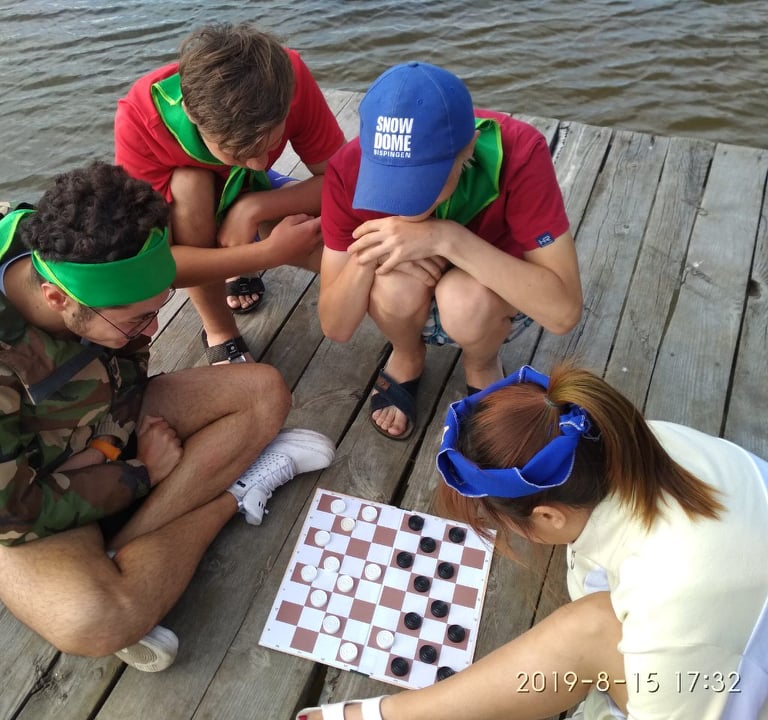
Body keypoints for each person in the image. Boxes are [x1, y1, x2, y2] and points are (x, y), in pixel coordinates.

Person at [0, 161, 336, 672]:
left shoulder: (76, 244)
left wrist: (106, 446)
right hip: (32, 492)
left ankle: (124, 549)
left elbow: (131, 356)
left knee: (264, 392)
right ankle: (231, 497)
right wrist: (139, 473)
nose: (152, 331)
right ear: (56, 299)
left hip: (104, 419)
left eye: (157, 310)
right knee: (95, 618)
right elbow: (14, 515)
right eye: (137, 320)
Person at [297, 364, 768, 720]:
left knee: (591, 629)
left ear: (547, 515)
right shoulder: (635, 440)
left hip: (731, 678)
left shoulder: (671, 596)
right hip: (723, 630)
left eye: (498, 520)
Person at [319, 62, 583, 440]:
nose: (403, 202)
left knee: (464, 297)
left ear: (469, 148)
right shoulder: (346, 168)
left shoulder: (521, 151)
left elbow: (563, 313)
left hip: (490, 299)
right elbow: (336, 326)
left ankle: (482, 364)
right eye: (389, 179)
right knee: (392, 280)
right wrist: (371, 255)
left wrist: (447, 238)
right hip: (408, 294)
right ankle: (407, 353)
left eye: (421, 180)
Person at [115, 22, 345, 364]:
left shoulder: (287, 76)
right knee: (190, 182)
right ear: (192, 115)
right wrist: (268, 253)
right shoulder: (140, 120)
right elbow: (159, 266)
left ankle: (241, 239)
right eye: (239, 153)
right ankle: (219, 330)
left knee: (342, 251)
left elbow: (344, 180)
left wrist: (255, 206)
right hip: (189, 209)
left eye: (270, 144)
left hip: (258, 191)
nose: (258, 162)